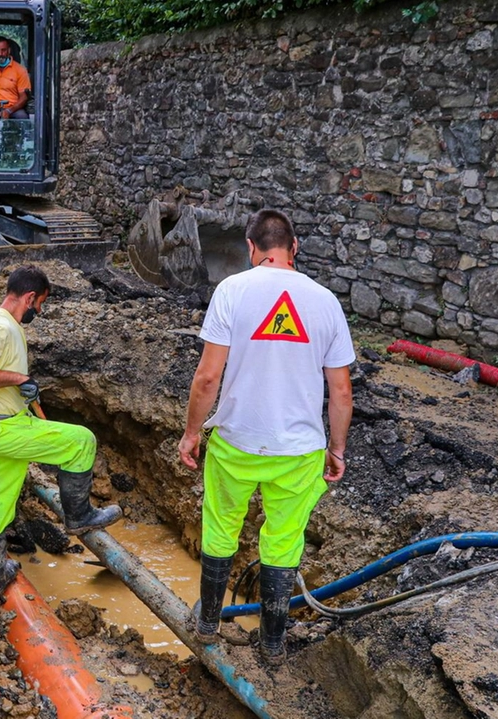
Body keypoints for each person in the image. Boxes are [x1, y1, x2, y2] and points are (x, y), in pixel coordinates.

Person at [177, 209, 354, 664]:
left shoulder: (232, 290)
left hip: (236, 440)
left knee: (221, 527)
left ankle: (209, 624)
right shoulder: (325, 301)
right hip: (300, 451)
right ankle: (273, 643)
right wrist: (337, 449)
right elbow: (341, 390)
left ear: (252, 250)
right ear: (294, 249)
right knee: (283, 539)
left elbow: (207, 377)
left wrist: (192, 432)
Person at [0, 265, 122, 596]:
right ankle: (79, 517)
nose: (40, 311)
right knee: (81, 441)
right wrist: (20, 379)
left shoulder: (6, 326)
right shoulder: (0, 327)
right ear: (30, 297)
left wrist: (15, 386)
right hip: (3, 430)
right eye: (41, 304)